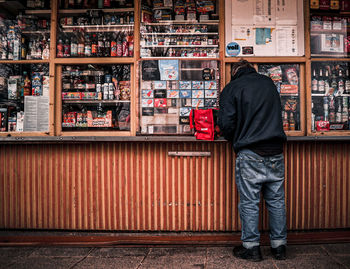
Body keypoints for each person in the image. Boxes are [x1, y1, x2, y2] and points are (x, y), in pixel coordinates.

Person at [218, 59, 287, 262]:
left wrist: (236, 138)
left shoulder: (232, 88)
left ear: (235, 72)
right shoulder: (269, 84)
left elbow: (226, 124)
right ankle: (279, 247)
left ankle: (251, 248)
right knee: (276, 201)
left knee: (249, 203)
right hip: (275, 151)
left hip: (250, 153)